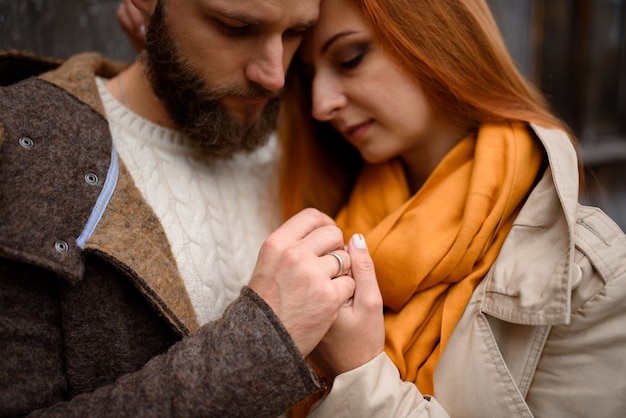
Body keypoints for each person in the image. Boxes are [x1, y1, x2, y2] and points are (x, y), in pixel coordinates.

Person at [0, 0, 368, 416]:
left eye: (294, 33)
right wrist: (260, 342)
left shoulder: (329, 129)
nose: (274, 75)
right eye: (235, 27)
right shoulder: (22, 148)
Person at [278, 0, 626, 416]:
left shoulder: (592, 281)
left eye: (350, 59)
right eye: (309, 76)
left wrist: (359, 373)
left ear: (438, 36)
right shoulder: (327, 215)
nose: (321, 105)